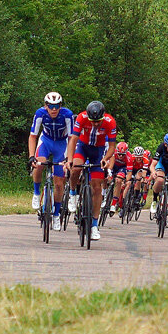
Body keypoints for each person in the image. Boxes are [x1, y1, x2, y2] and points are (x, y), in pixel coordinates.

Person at [66, 100, 117, 242]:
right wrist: (70, 159)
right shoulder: (81, 117)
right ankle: (72, 193)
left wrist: (105, 159)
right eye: (92, 121)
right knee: (76, 167)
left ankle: (94, 225)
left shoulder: (110, 122)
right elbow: (73, 140)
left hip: (98, 151)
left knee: (96, 186)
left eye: (98, 121)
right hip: (82, 146)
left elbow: (112, 146)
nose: (95, 124)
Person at [27, 92, 74, 228]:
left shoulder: (67, 115)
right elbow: (33, 136)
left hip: (62, 143)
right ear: (45, 106)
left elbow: (72, 138)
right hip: (46, 141)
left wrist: (68, 158)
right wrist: (31, 156)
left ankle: (56, 214)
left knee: (59, 183)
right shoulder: (40, 113)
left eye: (57, 106)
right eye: (51, 106)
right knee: (38, 164)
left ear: (60, 105)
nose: (54, 109)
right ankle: (36, 193)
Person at [105, 141, 132, 215]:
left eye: (122, 155)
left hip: (122, 168)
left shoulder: (129, 157)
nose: (120, 156)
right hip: (113, 165)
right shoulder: (113, 152)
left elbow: (129, 173)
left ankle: (113, 204)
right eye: (119, 154)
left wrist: (125, 181)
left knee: (119, 180)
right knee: (106, 177)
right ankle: (104, 194)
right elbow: (109, 164)